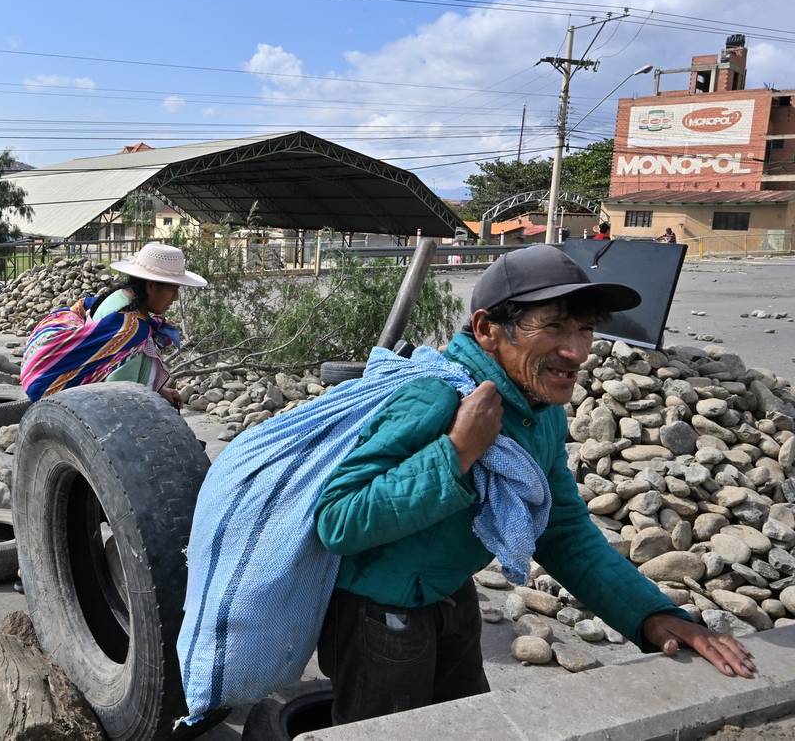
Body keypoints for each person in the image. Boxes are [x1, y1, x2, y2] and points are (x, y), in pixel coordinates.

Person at [313, 245, 754, 725]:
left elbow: (562, 529)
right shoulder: (436, 398)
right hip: (380, 614)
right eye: (554, 327)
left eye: (584, 328)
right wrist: (457, 452)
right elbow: (338, 521)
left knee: (470, 725)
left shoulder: (537, 410)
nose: (578, 351)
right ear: (487, 330)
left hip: (451, 596)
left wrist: (650, 614)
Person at [20, 241, 206, 407]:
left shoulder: (117, 297)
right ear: (151, 285)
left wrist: (160, 392)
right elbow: (120, 396)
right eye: (173, 290)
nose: (176, 297)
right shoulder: (131, 329)